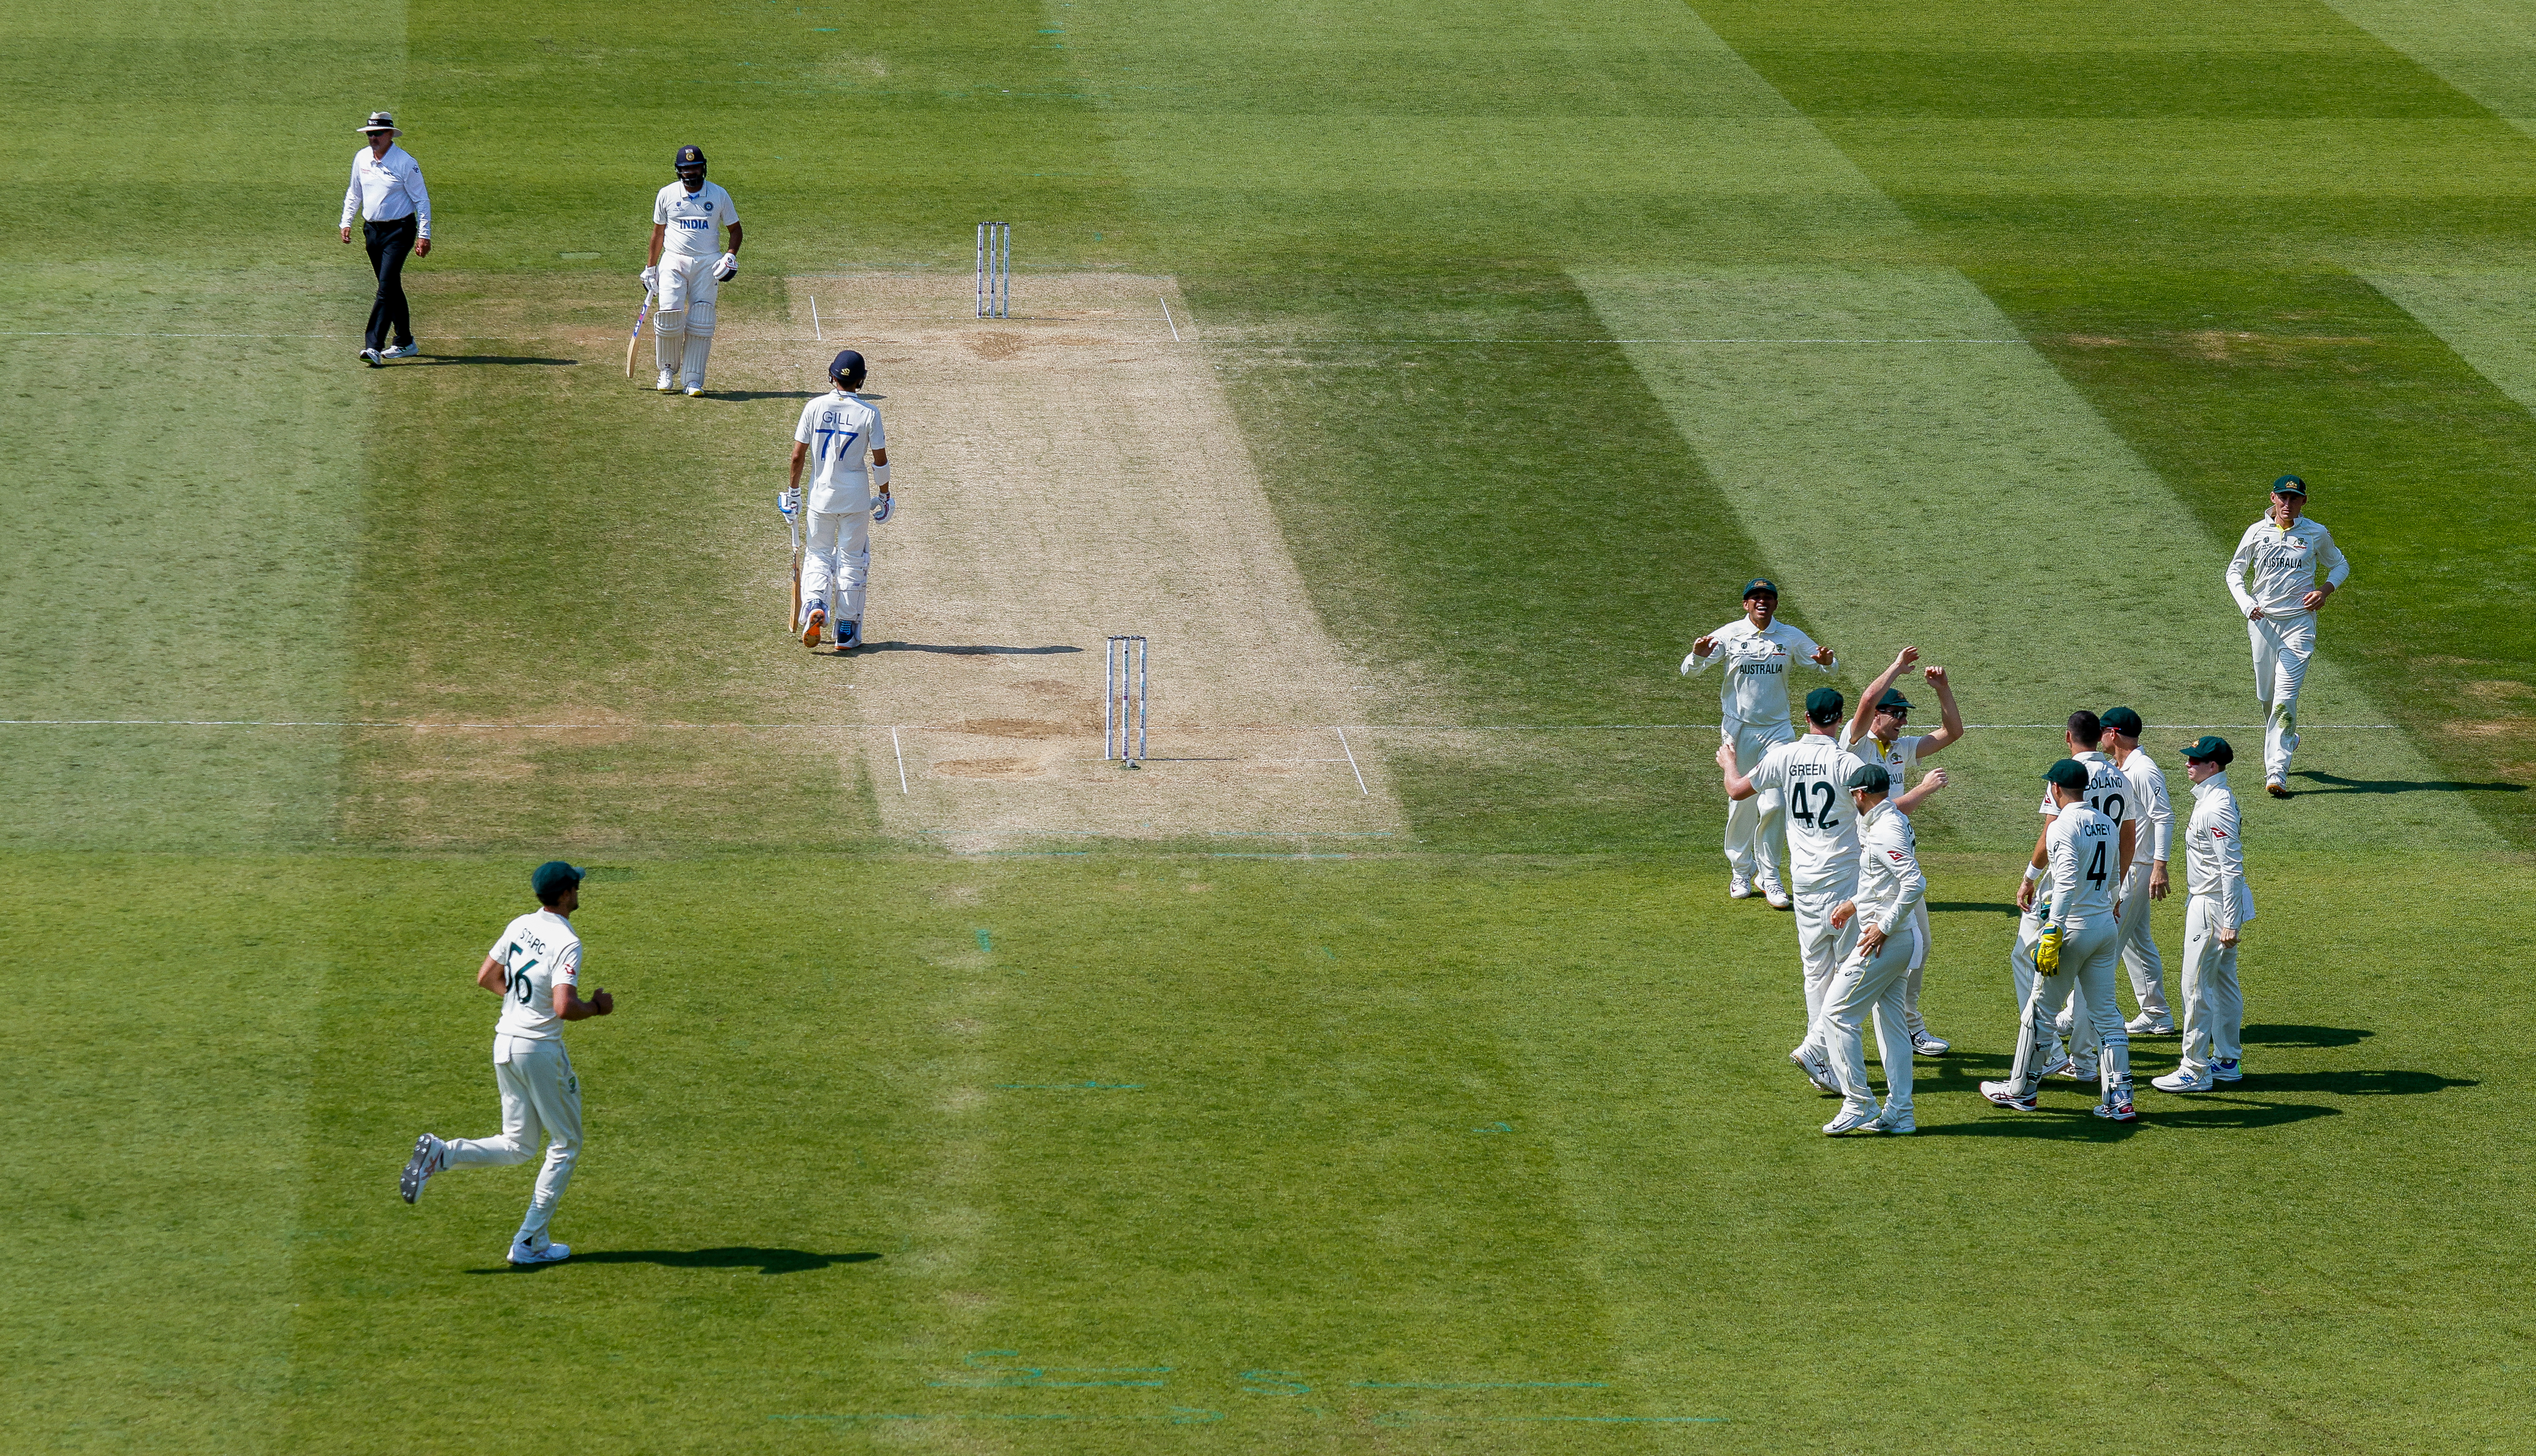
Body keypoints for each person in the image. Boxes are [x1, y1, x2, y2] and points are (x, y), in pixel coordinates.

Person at [1717, 688, 1945, 1096]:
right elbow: (1876, 803)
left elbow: (1736, 791)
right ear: (1838, 720)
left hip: (1802, 881)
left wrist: (1729, 760)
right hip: (1844, 880)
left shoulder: (1783, 756)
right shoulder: (1846, 762)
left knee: (1815, 971)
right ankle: (1822, 1051)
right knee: (1850, 974)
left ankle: (1820, 1058)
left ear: (1806, 717)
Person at [398, 861, 616, 1266]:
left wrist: (522, 1009)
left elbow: (486, 977)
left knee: (518, 1146)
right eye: (577, 886)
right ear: (567, 893)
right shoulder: (568, 942)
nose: (579, 891)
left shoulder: (520, 925)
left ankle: (441, 1154)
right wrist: (597, 1009)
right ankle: (529, 1242)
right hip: (538, 1051)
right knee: (566, 1144)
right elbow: (564, 1007)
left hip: (505, 1043)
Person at [1984, 760, 2137, 1121]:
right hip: (2103, 928)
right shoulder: (2105, 823)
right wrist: (2109, 904)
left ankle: (2021, 1092)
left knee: (2039, 1011)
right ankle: (2120, 1099)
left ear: (2056, 789)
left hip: (2072, 930)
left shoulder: (2061, 826)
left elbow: (2065, 881)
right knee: (2107, 1015)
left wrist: (2053, 928)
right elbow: (2115, 875)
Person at [1682, 578, 1838, 909]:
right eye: (1755, 598)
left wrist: (1826, 662)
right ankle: (1741, 871)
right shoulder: (1728, 634)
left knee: (1776, 804)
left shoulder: (1790, 636)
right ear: (1746, 605)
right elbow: (1689, 672)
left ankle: (1770, 876)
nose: (1761, 602)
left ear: (1775, 604)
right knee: (1741, 803)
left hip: (1778, 731)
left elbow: (1828, 669)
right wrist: (1697, 657)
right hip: (1739, 730)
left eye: (1767, 597)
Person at [1840, 647, 1964, 1056]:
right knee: (1881, 946)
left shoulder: (1899, 748)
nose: (1904, 721)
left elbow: (1952, 734)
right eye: (1898, 714)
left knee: (1919, 945)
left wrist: (1943, 690)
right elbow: (1864, 701)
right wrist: (1922, 792)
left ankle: (1907, 1026)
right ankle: (1841, 1030)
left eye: (1906, 715)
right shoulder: (1854, 745)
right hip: (1872, 863)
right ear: (1880, 714)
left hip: (1897, 856)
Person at [2015, 711, 2136, 1080]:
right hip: (2103, 897)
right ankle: (2085, 1063)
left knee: (2026, 959)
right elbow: (2126, 841)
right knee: (2098, 999)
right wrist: (2113, 891)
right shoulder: (2120, 776)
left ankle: (2041, 1062)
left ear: (2068, 737)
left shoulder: (2064, 777)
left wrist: (2030, 877)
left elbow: (2051, 835)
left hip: (2066, 901)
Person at [1819, 764, 1928, 1136]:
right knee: (1892, 1024)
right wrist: (1854, 903)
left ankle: (1858, 1102)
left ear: (1861, 794)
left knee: (1836, 1014)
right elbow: (1880, 878)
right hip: (1896, 938)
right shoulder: (1887, 821)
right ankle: (1901, 1113)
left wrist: (1882, 926)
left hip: (1886, 941)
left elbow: (1913, 883)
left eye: (1852, 793)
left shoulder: (1885, 829)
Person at [2225, 475, 2350, 797]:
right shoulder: (2256, 532)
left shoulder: (2315, 533)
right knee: (2266, 698)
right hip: (2262, 623)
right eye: (2282, 498)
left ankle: (2277, 771)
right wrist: (2246, 604)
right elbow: (2234, 572)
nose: (2287, 504)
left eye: (2294, 499)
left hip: (2299, 626)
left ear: (2303, 502)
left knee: (2284, 700)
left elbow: (2340, 565)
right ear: (2272, 498)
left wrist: (2325, 590)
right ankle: (2287, 737)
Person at [2154, 738, 2255, 1093]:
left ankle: (2194, 1069)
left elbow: (2232, 869)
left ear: (2214, 767)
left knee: (2195, 987)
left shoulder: (2216, 807)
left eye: (2196, 761)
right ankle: (2227, 1061)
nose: (2188, 765)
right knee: (2223, 983)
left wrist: (2229, 921)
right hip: (2212, 902)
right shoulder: (2212, 800)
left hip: (2212, 906)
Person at [788, 350, 892, 650]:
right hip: (856, 500)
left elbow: (798, 456)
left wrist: (793, 493)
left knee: (818, 554)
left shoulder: (814, 407)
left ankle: (815, 605)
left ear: (831, 376)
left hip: (821, 499)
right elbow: (880, 462)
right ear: (861, 381)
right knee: (852, 561)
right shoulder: (870, 413)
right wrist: (885, 496)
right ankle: (845, 630)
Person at [643, 145, 743, 397]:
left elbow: (736, 231)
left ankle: (693, 380)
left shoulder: (719, 195)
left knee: (701, 319)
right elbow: (658, 233)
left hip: (708, 264)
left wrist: (730, 256)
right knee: (669, 316)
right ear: (679, 171)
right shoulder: (667, 194)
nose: (691, 173)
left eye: (695, 167)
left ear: (704, 168)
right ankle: (666, 370)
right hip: (674, 261)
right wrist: (650, 268)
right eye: (687, 169)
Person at [2099, 707, 2175, 1035]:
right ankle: (2156, 1013)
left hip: (2138, 868)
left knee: (2107, 942)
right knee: (2136, 942)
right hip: (2129, 866)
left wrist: (2160, 866)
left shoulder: (2143, 771)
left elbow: (2164, 816)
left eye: (2102, 731)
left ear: (2113, 734)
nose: (2099, 737)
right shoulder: (2120, 767)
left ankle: (2075, 1013)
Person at [338, 112, 432, 367]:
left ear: (390, 135)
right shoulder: (361, 159)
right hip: (372, 232)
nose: (373, 138)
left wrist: (424, 235)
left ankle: (374, 346)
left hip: (400, 232)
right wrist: (346, 221)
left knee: (385, 287)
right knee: (389, 286)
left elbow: (422, 200)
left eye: (378, 133)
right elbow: (354, 192)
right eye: (370, 134)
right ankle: (404, 341)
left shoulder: (405, 163)